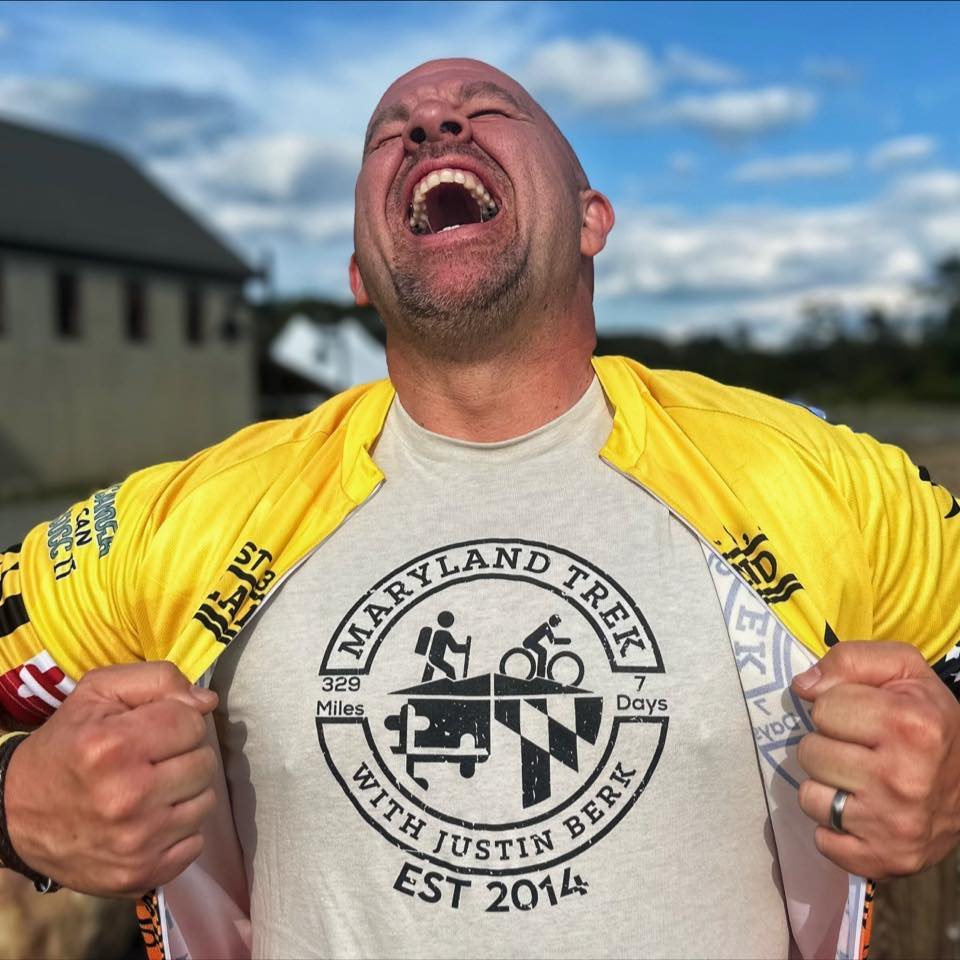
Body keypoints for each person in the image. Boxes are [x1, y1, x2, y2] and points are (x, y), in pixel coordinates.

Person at [0, 57, 958, 960]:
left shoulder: (820, 479)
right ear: (358, 272)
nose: (432, 124)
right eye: (390, 133)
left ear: (592, 218)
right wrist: (16, 806)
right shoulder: (192, 518)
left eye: (489, 109)